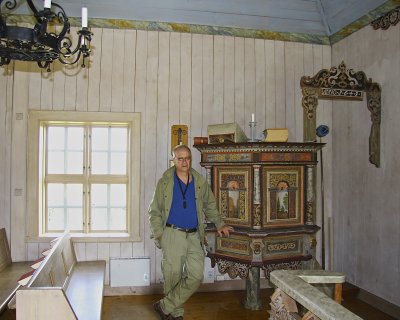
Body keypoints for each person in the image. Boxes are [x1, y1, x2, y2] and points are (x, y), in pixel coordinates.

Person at [148, 144, 233, 320]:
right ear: (173, 160)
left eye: (187, 158)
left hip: (194, 235)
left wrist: (220, 223)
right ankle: (175, 313)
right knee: (173, 275)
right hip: (172, 234)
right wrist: (160, 235)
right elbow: (154, 211)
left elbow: (210, 205)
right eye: (180, 158)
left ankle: (164, 305)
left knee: (195, 276)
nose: (184, 162)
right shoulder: (164, 182)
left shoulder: (199, 181)